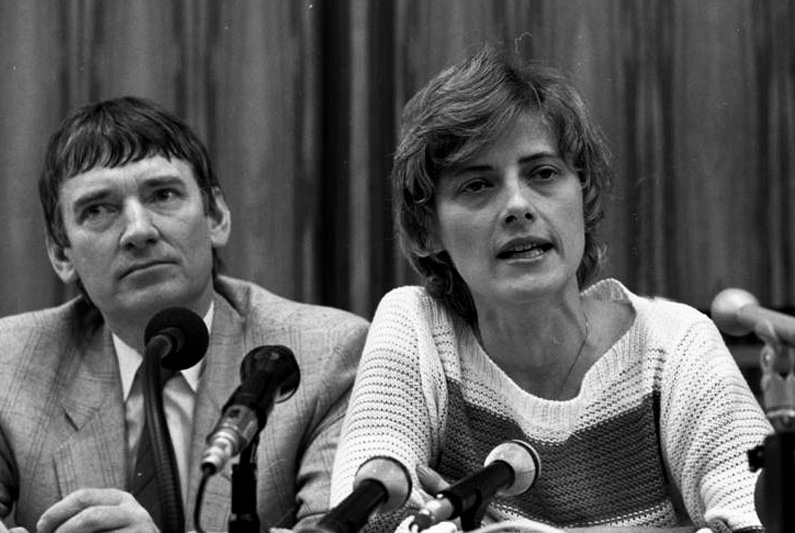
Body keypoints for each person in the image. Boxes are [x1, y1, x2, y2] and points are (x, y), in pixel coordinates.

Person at [329, 45, 771, 533]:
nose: (517, 206)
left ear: (583, 194)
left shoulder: (673, 344)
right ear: (425, 230)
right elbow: (366, 512)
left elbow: (759, 516)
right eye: (477, 185)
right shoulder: (418, 328)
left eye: (543, 173)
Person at [0, 96, 368, 532]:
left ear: (216, 216)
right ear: (62, 254)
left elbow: (336, 528)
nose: (139, 230)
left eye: (163, 195)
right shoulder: (12, 365)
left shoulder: (326, 355)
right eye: (98, 209)